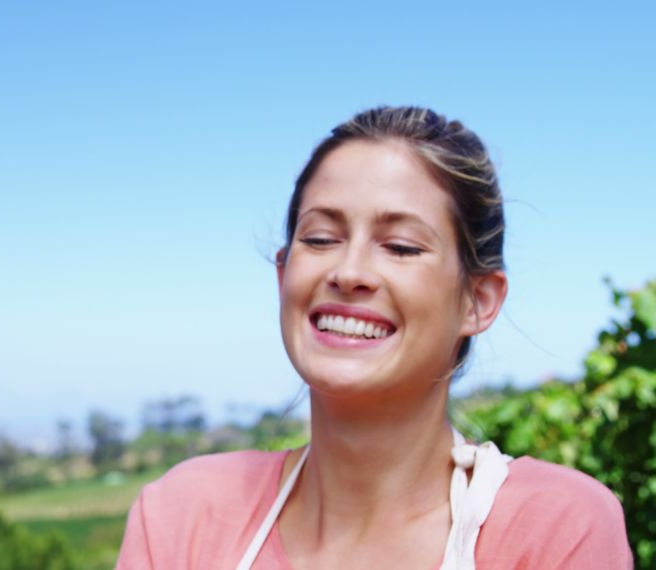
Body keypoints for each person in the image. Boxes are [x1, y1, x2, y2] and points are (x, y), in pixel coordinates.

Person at [115, 106, 632, 569]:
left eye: (402, 247)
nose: (349, 270)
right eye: (320, 239)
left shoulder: (554, 530)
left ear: (477, 301)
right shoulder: (182, 516)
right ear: (283, 276)